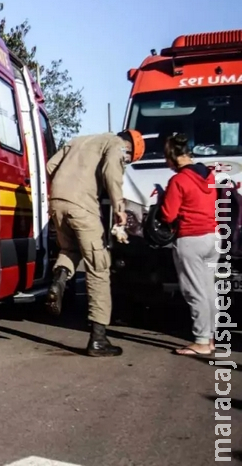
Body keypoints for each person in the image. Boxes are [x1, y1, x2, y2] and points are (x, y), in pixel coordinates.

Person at [44, 129, 145, 357]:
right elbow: (111, 171)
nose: (125, 162)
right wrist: (120, 209)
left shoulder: (79, 140)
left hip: (57, 201)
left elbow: (50, 166)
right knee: (99, 267)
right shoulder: (116, 144)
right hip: (83, 206)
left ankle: (58, 281)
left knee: (69, 248)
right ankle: (99, 339)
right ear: (129, 149)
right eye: (128, 160)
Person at [159, 133, 219, 356]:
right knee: (209, 289)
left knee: (194, 291)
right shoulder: (210, 176)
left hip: (190, 239)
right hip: (213, 237)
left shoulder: (178, 181)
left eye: (167, 159)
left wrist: (163, 200)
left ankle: (201, 341)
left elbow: (168, 214)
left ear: (172, 156)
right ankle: (211, 337)